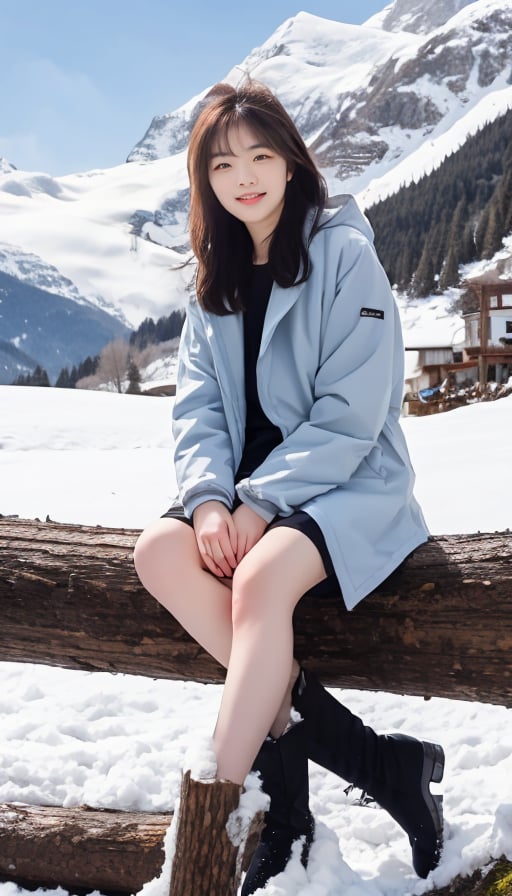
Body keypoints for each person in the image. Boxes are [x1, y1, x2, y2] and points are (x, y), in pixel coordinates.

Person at [133, 81, 445, 893]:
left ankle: (217, 819)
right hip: (244, 494)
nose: (244, 177)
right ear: (204, 178)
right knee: (159, 553)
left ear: (290, 160)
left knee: (261, 582)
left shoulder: (345, 254)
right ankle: (375, 765)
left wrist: (259, 502)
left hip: (345, 479)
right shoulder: (217, 271)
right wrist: (207, 500)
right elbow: (197, 405)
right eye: (223, 162)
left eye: (260, 156)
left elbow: (353, 413)